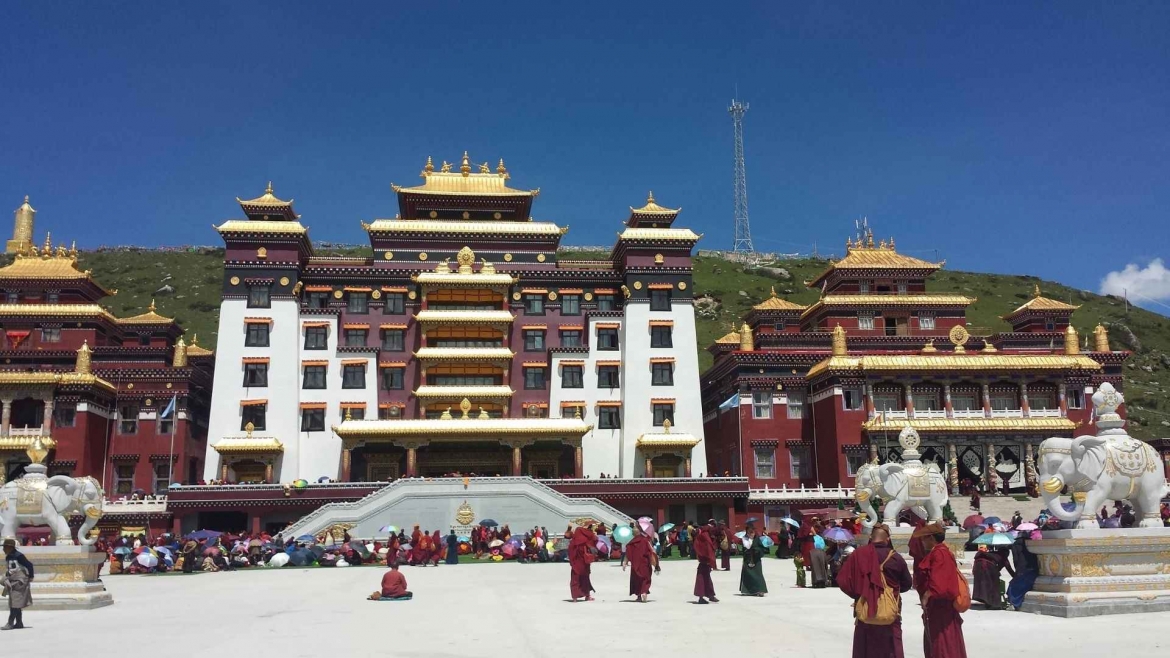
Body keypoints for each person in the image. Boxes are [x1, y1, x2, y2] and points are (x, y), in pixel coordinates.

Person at [837, 524, 913, 658]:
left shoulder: (858, 554)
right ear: (887, 539)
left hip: (865, 610)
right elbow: (907, 584)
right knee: (890, 649)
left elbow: (843, 581)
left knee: (865, 649)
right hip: (890, 611)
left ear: (871, 538)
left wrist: (860, 593)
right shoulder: (895, 558)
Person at [914, 523, 968, 658]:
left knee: (943, 645)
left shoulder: (940, 554)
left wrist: (927, 594)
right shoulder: (938, 552)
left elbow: (941, 585)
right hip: (937, 609)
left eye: (924, 538)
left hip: (941, 609)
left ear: (931, 538)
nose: (922, 541)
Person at [2, 539, 34, 630]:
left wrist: (31, 576)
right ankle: (19, 622)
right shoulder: (8, 557)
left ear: (10, 547)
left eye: (4, 547)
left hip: (20, 582)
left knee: (14, 603)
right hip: (13, 580)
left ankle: (10, 623)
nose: (3, 549)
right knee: (16, 602)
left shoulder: (19, 556)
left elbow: (29, 565)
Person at [623, 527, 660, 602]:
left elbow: (627, 553)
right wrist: (656, 561)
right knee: (645, 579)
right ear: (639, 532)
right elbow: (651, 551)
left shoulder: (631, 543)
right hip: (644, 563)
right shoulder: (645, 540)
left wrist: (625, 562)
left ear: (633, 534)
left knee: (637, 580)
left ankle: (639, 596)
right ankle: (644, 592)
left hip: (635, 565)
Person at [1006, 532, 1039, 610]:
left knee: (1014, 585)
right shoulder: (1031, 543)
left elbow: (1016, 559)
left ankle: (1014, 603)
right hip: (1032, 568)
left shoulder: (1015, 545)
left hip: (1022, 568)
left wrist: (1017, 569)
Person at [568, 524, 597, 602]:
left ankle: (575, 598)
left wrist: (572, 562)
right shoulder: (587, 540)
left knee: (575, 579)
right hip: (585, 563)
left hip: (576, 564)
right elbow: (595, 540)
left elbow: (570, 553)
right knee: (585, 578)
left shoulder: (573, 542)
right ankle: (587, 596)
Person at [738, 521, 768, 596]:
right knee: (747, 575)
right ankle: (747, 590)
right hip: (747, 560)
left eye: (752, 532)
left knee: (758, 575)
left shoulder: (758, 539)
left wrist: (756, 550)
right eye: (749, 532)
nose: (751, 533)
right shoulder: (744, 539)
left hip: (756, 560)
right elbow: (743, 550)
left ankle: (760, 590)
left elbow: (763, 549)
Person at [693, 519, 719, 604]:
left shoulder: (705, 534)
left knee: (707, 579)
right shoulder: (705, 536)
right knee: (702, 579)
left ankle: (711, 595)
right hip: (704, 561)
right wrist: (709, 560)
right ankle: (701, 597)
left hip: (704, 561)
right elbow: (707, 549)